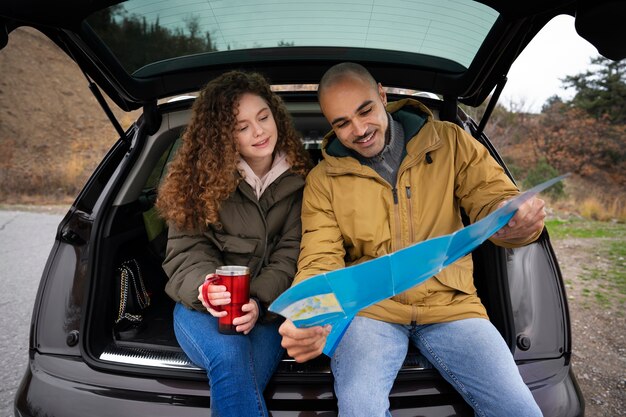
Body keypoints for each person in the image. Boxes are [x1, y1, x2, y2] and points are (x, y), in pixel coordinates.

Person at [278, 62, 546, 416]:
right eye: (341, 123)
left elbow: (491, 197)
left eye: (365, 110)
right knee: (360, 410)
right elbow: (319, 258)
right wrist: (308, 314)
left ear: (383, 96)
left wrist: (515, 221)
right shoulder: (323, 179)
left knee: (519, 409)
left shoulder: (449, 141)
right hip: (371, 311)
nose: (358, 130)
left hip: (452, 305)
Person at [156, 70, 312, 417]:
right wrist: (208, 288)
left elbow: (292, 256)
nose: (259, 131)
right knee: (229, 355)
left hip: (269, 310)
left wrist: (257, 301)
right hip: (200, 308)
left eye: (263, 117)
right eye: (242, 126)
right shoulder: (195, 181)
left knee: (240, 368)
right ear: (223, 136)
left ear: (275, 116)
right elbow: (186, 251)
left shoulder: (304, 182)